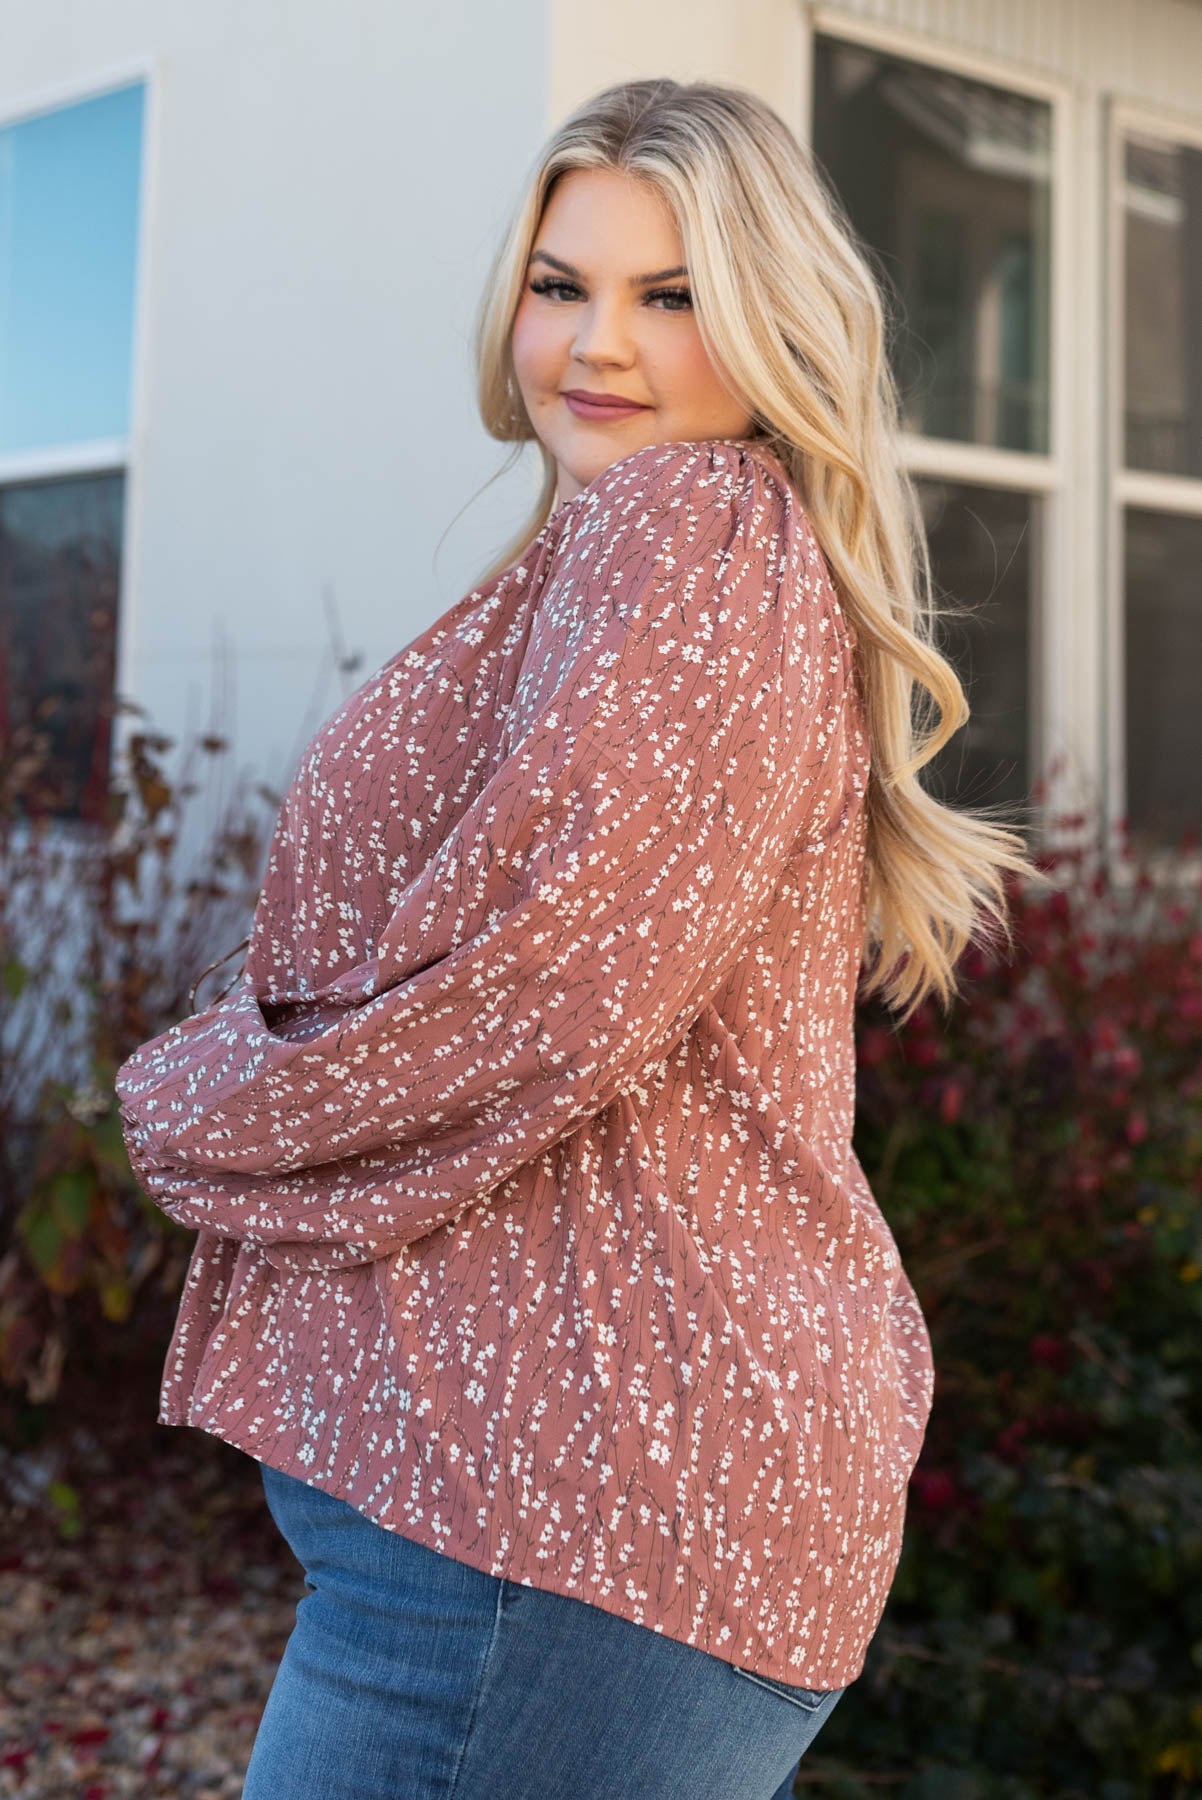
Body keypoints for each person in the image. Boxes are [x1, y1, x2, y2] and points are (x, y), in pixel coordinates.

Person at [116, 76, 1045, 1800]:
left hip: (561, 1544)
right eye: (562, 284)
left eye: (670, 293)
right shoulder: (645, 550)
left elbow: (549, 989)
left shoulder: (685, 531)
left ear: (769, 315)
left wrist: (197, 1102)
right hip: (534, 1541)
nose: (593, 345)